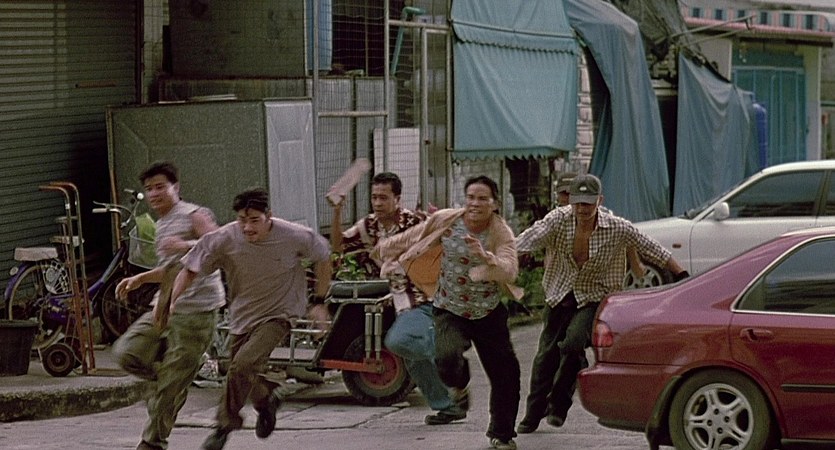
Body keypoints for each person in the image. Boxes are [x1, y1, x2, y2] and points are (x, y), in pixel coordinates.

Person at [515, 174, 688, 434]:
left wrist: (682, 275)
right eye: (577, 203)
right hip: (559, 293)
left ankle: (558, 404)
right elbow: (528, 239)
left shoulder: (617, 227)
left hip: (594, 296)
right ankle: (534, 411)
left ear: (599, 201)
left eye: (588, 203)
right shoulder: (558, 219)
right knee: (545, 357)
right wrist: (498, 258)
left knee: (573, 343)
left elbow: (653, 249)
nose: (582, 209)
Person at [167, 187, 332, 450]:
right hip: (243, 315)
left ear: (269, 216)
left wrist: (319, 301)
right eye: (242, 220)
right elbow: (190, 267)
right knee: (240, 370)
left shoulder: (294, 235)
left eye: (254, 220)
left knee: (242, 365)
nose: (247, 228)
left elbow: (324, 256)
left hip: (280, 312)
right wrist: (173, 299)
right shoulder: (224, 238)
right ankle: (267, 399)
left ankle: (223, 427)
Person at [375, 175, 523, 450]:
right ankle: (459, 386)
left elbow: (510, 269)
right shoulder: (448, 220)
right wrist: (387, 247)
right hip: (449, 307)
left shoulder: (500, 232)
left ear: (494, 204)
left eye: (482, 199)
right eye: (471, 197)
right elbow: (415, 235)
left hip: (488, 312)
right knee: (446, 356)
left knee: (506, 374)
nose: (475, 204)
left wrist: (486, 257)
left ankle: (502, 434)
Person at [330, 172, 466, 425]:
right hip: (403, 301)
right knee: (413, 358)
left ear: (397, 199)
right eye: (374, 197)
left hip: (429, 296)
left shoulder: (417, 221)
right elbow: (338, 246)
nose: (377, 203)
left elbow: (449, 234)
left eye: (383, 197)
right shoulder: (369, 226)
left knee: (398, 341)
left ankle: (449, 359)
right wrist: (337, 211)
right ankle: (448, 406)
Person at [113, 161, 226, 450]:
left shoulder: (193, 215)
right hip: (165, 305)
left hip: (196, 312)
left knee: (169, 388)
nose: (154, 194)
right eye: (149, 189)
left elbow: (220, 246)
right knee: (127, 352)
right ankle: (178, 377)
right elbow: (173, 268)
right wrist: (140, 278)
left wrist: (183, 245)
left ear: (176, 187)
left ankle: (152, 443)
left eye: (160, 187)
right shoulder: (162, 224)